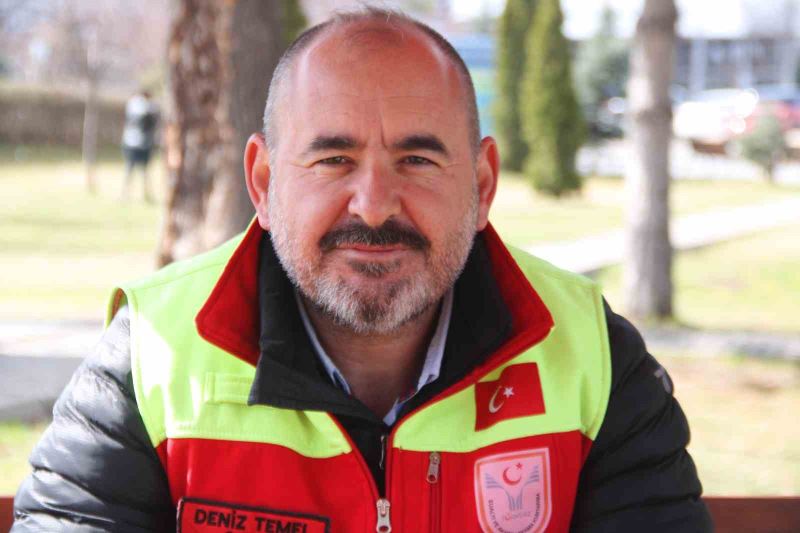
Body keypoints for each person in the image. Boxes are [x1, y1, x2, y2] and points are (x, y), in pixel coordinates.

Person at [13, 8, 712, 532]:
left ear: (482, 186)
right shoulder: (153, 354)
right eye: (333, 159)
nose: (374, 205)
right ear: (263, 183)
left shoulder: (590, 356)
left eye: (418, 159)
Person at [121, 89, 159, 203]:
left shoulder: (134, 106)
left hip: (137, 143)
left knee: (139, 171)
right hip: (137, 144)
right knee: (135, 170)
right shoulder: (145, 107)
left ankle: (142, 194)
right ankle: (127, 194)